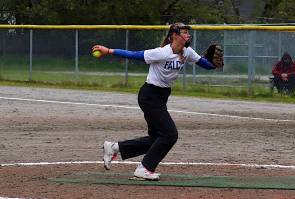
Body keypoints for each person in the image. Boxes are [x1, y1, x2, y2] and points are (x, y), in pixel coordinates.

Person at [92, 23, 222, 180]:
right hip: (149, 95)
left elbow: (205, 64)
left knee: (157, 138)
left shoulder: (187, 52)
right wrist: (109, 51)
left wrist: (213, 64)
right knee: (170, 134)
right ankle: (145, 168)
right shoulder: (162, 53)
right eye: (184, 32)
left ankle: (114, 148)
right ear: (174, 35)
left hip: (161, 97)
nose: (188, 35)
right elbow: (134, 55)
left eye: (188, 32)